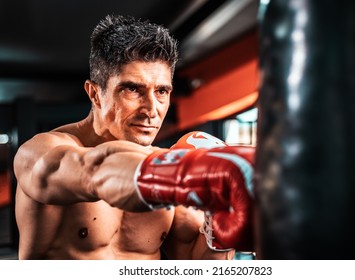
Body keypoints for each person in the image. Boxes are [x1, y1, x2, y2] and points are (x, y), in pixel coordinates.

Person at [13, 14, 255, 260]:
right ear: (95, 93)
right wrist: (182, 175)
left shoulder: (173, 169)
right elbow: (93, 172)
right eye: (132, 89)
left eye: (161, 91)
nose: (151, 110)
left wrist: (222, 228)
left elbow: (196, 264)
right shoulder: (42, 152)